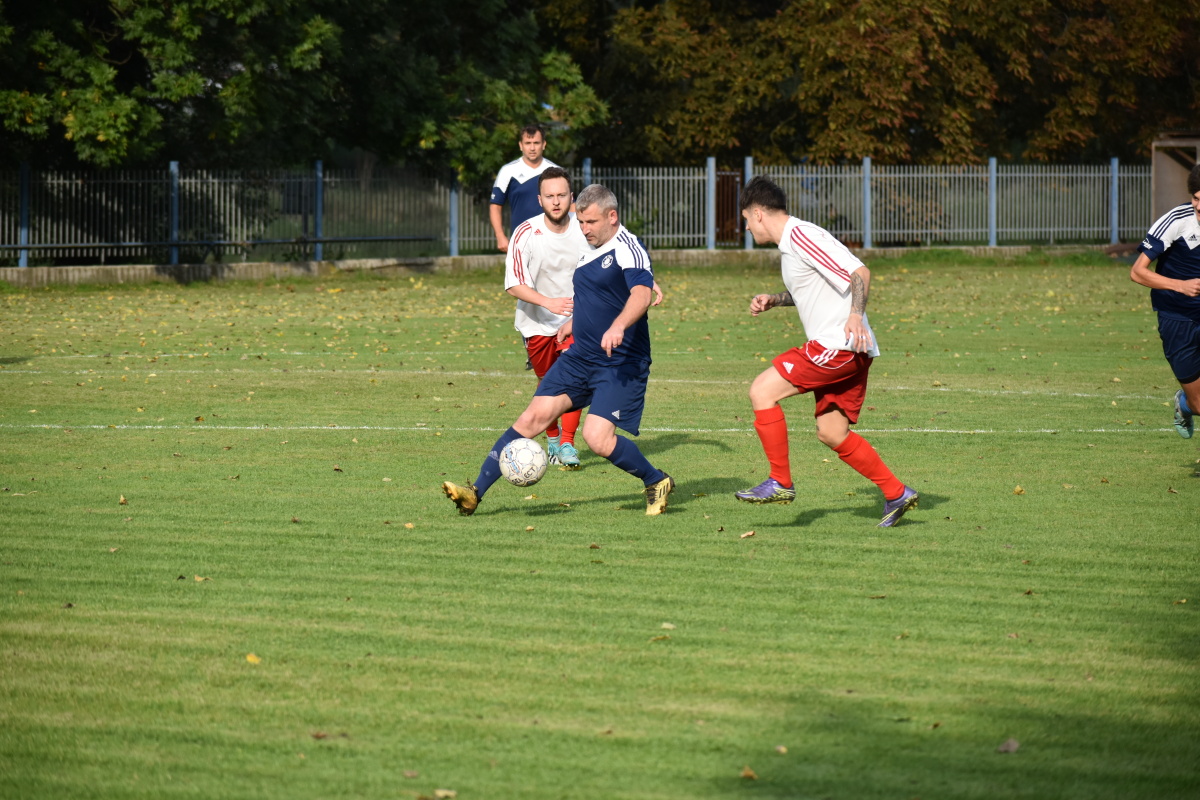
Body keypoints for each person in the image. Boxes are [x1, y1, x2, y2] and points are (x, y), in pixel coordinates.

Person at [444, 183, 674, 516]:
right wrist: (575, 322)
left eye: (591, 222)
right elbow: (597, 294)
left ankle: (656, 480)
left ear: (612, 216)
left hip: (620, 363)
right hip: (581, 357)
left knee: (597, 438)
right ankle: (474, 492)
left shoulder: (627, 247)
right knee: (531, 418)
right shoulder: (590, 247)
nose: (585, 229)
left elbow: (640, 294)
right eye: (581, 222)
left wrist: (618, 326)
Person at [735, 176, 918, 527]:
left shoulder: (801, 236)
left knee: (762, 391)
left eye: (745, 219)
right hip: (850, 349)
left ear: (757, 214)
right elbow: (816, 288)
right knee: (832, 432)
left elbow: (859, 272)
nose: (746, 228)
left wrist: (855, 315)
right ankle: (897, 493)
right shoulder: (792, 245)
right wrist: (775, 299)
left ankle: (780, 482)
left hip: (837, 346)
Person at [504, 167, 587, 468]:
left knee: (575, 381)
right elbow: (513, 284)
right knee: (547, 384)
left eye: (561, 195)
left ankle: (567, 443)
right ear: (539, 200)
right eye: (549, 196)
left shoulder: (585, 229)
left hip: (577, 320)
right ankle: (552, 438)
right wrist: (547, 302)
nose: (556, 201)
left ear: (571, 197)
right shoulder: (525, 232)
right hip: (536, 322)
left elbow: (619, 251)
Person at [1129, 164, 1200, 439]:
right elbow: (1137, 272)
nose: (1198, 206)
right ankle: (1185, 404)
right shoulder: (1176, 220)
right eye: (1195, 199)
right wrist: (1180, 285)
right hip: (1177, 319)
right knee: (1198, 404)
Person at [489, 124, 561, 253]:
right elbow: (495, 206)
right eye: (528, 143)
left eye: (536, 143)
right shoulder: (508, 171)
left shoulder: (556, 171)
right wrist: (500, 236)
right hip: (521, 242)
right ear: (520, 145)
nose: (532, 148)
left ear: (544, 144)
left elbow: (570, 205)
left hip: (553, 241)